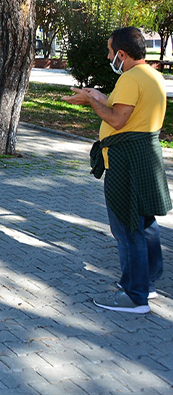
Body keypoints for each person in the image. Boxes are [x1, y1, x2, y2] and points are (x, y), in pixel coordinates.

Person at [63, 27, 171, 314]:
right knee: (145, 224)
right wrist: (97, 95)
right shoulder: (151, 76)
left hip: (126, 163)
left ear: (122, 54)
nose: (109, 57)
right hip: (144, 158)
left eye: (111, 53)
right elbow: (127, 108)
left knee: (127, 227)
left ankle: (135, 296)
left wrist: (91, 102)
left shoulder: (130, 78)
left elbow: (118, 119)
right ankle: (147, 283)